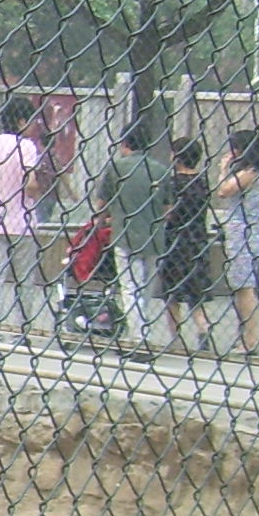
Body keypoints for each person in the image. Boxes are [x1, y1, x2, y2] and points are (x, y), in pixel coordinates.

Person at [0, 97, 55, 337]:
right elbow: (31, 185)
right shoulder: (27, 147)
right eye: (31, 120)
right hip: (22, 220)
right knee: (24, 279)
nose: (33, 125)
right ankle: (22, 327)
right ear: (21, 120)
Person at [94, 125, 165, 352]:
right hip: (154, 236)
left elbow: (102, 203)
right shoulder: (160, 170)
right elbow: (169, 206)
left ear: (125, 144)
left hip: (125, 234)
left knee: (129, 287)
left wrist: (99, 223)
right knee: (145, 288)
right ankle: (141, 328)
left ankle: (138, 337)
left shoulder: (117, 168)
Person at [217, 128, 259, 356]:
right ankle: (245, 335)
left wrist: (222, 169)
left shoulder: (251, 172)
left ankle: (250, 339)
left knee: (244, 286)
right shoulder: (252, 171)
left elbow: (223, 191)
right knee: (240, 286)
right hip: (241, 231)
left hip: (243, 232)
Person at [159, 137, 214, 353]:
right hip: (198, 238)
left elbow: (169, 213)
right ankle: (203, 327)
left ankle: (176, 337)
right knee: (195, 291)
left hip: (175, 240)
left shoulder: (173, 183)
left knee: (172, 293)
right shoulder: (202, 182)